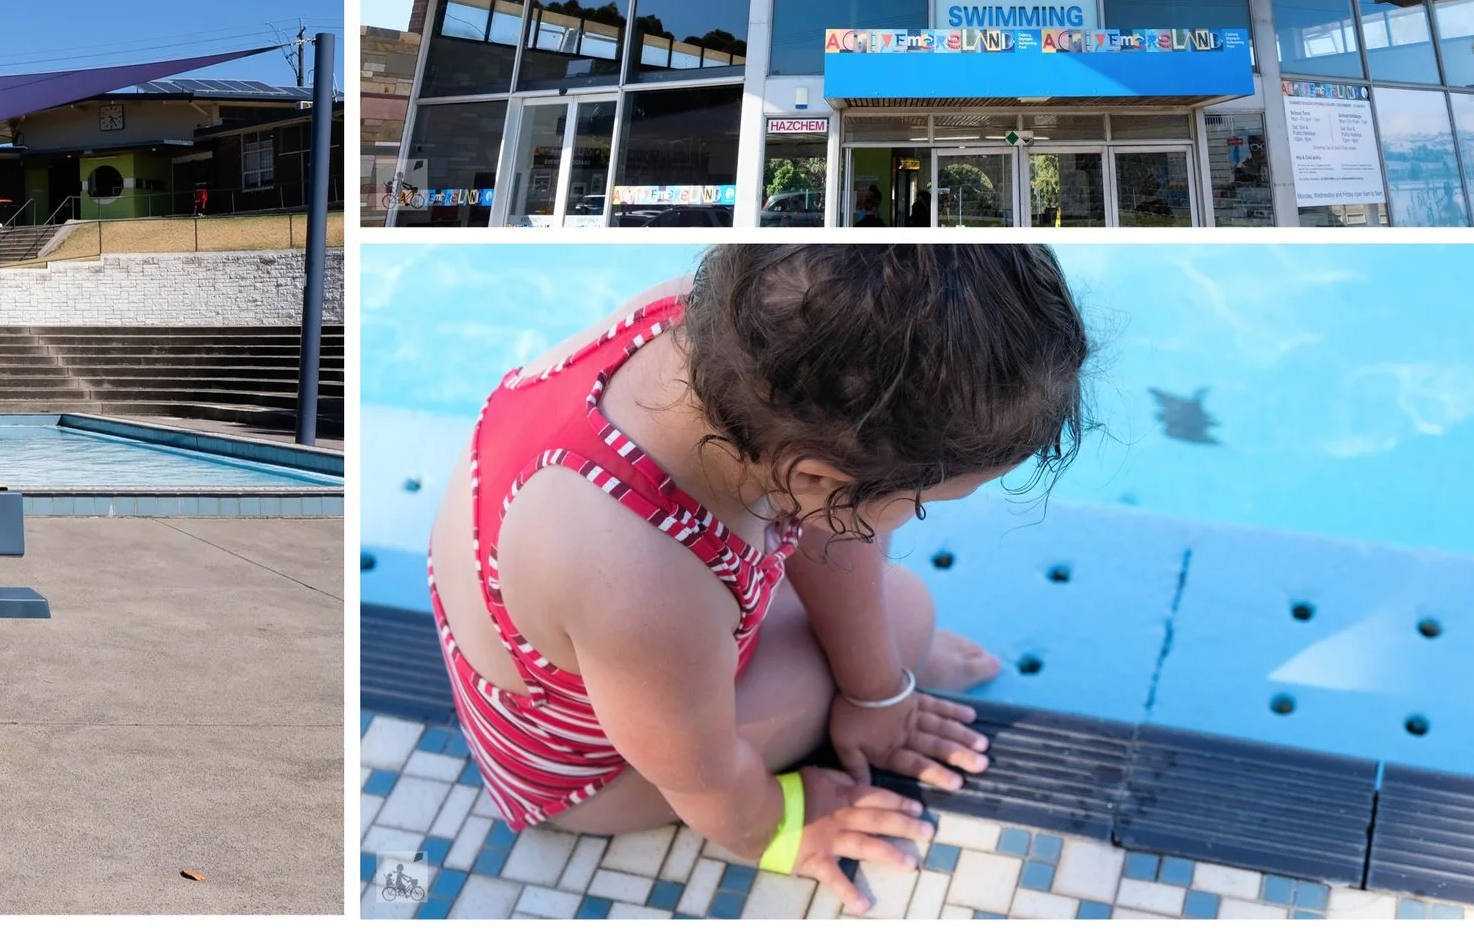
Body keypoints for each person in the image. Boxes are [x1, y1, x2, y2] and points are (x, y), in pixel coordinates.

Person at [426, 246, 1091, 914]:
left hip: (624, 650)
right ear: (814, 477)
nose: (919, 516)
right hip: (596, 773)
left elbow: (825, 515)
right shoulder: (636, 577)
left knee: (886, 621)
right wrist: (778, 824)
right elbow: (699, 772)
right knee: (904, 613)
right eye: (922, 501)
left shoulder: (742, 334)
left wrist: (877, 689)